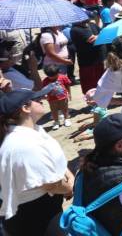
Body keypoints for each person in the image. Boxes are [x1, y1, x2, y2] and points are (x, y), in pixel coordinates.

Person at [0, 85, 74, 235]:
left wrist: (68, 175)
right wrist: (70, 187)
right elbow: (51, 184)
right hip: (34, 217)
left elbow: (52, 159)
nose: (43, 99)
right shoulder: (24, 144)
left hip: (44, 206)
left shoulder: (33, 129)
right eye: (37, 99)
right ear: (25, 108)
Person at [70, 17, 106, 95]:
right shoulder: (75, 30)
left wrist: (98, 36)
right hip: (87, 62)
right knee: (89, 86)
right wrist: (99, 36)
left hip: (99, 59)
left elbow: (103, 33)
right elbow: (91, 40)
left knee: (101, 83)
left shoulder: (92, 25)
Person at [42, 64, 72, 129]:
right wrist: (45, 95)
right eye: (50, 76)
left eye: (54, 76)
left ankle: (66, 119)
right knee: (53, 110)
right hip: (51, 99)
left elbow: (67, 85)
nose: (52, 78)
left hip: (63, 97)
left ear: (58, 72)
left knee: (65, 108)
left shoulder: (63, 77)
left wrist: (69, 93)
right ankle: (56, 121)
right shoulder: (45, 81)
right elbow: (44, 89)